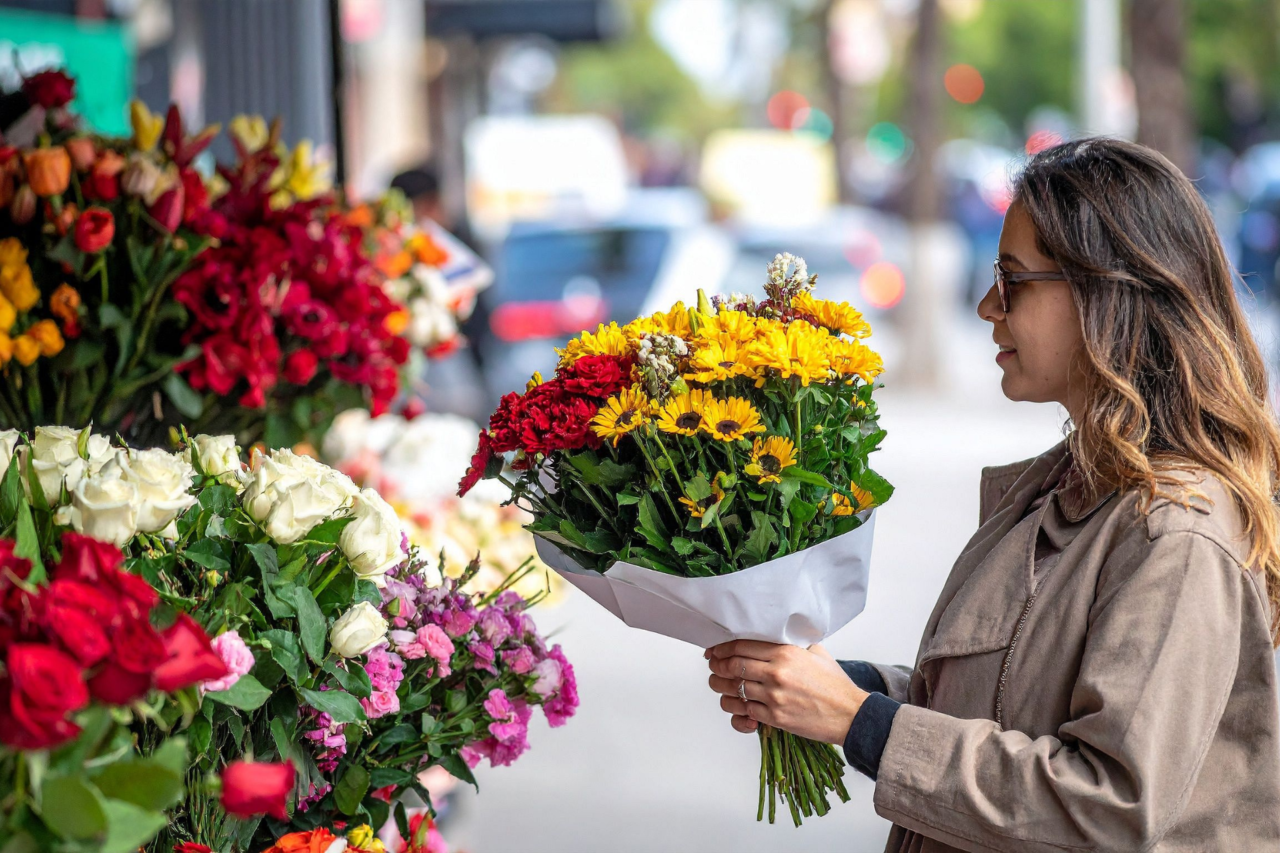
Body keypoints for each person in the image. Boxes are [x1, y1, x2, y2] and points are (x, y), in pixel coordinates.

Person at [705, 138, 1280, 851]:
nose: (986, 306)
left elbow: (1106, 806)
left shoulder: (1177, 531)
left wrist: (860, 721)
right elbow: (1014, 701)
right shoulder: (1069, 480)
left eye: (1012, 281)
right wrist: (827, 688)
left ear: (1106, 292)